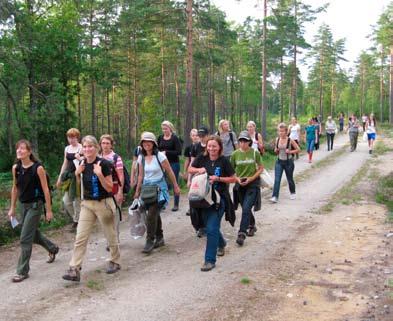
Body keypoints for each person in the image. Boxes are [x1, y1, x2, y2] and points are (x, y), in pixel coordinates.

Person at [62, 135, 120, 282]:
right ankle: (74, 268)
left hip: (103, 203)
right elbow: (80, 182)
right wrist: (77, 172)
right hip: (87, 204)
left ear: (97, 148)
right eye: (85, 146)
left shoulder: (104, 164)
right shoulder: (81, 163)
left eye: (90, 146)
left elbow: (109, 187)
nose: (87, 149)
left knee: (110, 234)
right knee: (80, 237)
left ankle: (115, 260)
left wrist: (100, 174)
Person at [8, 140, 59, 282]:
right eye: (18, 148)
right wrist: (12, 207)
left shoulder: (38, 168)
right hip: (22, 205)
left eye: (22, 149)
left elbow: (46, 190)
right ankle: (52, 248)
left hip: (35, 206)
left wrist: (48, 210)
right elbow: (15, 188)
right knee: (31, 233)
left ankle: (22, 271)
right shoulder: (16, 168)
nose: (19, 151)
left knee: (25, 238)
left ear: (29, 152)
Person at [188, 136, 236, 271]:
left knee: (211, 228)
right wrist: (199, 170)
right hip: (202, 200)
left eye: (214, 146)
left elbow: (234, 178)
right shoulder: (202, 158)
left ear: (219, 147)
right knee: (209, 227)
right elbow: (190, 169)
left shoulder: (224, 161)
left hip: (219, 200)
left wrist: (219, 178)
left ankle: (209, 260)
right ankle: (221, 243)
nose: (211, 149)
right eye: (209, 146)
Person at [134, 132, 180, 254]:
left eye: (149, 141)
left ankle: (150, 240)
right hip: (146, 190)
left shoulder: (160, 156)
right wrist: (137, 192)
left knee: (151, 215)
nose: (146, 144)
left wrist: (176, 186)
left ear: (153, 143)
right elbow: (140, 176)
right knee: (154, 214)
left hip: (159, 189)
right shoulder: (141, 158)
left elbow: (170, 172)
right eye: (144, 142)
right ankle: (160, 238)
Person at [230, 131, 263, 246]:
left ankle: (242, 234)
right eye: (241, 141)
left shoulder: (255, 153)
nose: (243, 143)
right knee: (245, 207)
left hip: (252, 183)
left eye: (245, 141)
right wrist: (237, 179)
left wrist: (251, 178)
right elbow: (231, 171)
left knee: (246, 207)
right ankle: (252, 225)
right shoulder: (234, 155)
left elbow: (260, 168)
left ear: (249, 142)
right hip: (240, 183)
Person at [99, 134, 124, 246]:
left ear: (111, 145)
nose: (105, 145)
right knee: (104, 216)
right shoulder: (97, 157)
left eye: (107, 143)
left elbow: (120, 176)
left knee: (115, 215)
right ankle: (109, 239)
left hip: (114, 188)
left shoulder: (116, 158)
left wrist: (120, 191)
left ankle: (115, 239)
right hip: (100, 191)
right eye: (103, 143)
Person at [56, 128, 82, 231]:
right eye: (69, 137)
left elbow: (83, 163)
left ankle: (78, 223)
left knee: (77, 201)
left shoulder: (81, 148)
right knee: (66, 201)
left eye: (73, 137)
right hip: (69, 177)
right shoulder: (67, 149)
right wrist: (60, 178)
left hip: (78, 177)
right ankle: (76, 219)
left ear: (77, 137)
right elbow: (65, 163)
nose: (71, 139)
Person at [270, 123, 300, 203]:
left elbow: (298, 149)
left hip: (288, 162)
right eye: (279, 131)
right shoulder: (277, 139)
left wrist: (290, 151)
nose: (281, 133)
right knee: (277, 180)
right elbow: (276, 150)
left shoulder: (290, 140)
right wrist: (275, 150)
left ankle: (292, 192)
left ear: (286, 131)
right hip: (279, 162)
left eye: (282, 131)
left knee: (289, 179)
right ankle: (275, 196)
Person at [189, 126, 210, 237]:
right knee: (194, 204)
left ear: (208, 135)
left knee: (205, 203)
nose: (201, 138)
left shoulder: (211, 145)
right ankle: (198, 226)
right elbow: (191, 164)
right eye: (199, 136)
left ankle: (205, 226)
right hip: (197, 179)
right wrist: (189, 179)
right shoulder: (195, 147)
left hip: (209, 180)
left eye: (203, 136)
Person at [157, 121, 182, 212]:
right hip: (162, 164)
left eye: (166, 128)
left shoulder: (175, 138)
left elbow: (179, 152)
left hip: (173, 163)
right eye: (163, 129)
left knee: (174, 182)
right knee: (162, 183)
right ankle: (162, 203)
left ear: (170, 128)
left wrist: (166, 152)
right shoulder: (160, 138)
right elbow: (156, 149)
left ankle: (176, 204)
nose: (164, 130)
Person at [183, 129, 200, 216]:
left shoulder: (202, 146)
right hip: (191, 169)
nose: (195, 137)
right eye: (193, 135)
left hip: (200, 170)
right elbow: (187, 160)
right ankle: (191, 208)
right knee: (191, 190)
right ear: (190, 137)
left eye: (196, 135)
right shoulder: (188, 148)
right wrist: (185, 171)